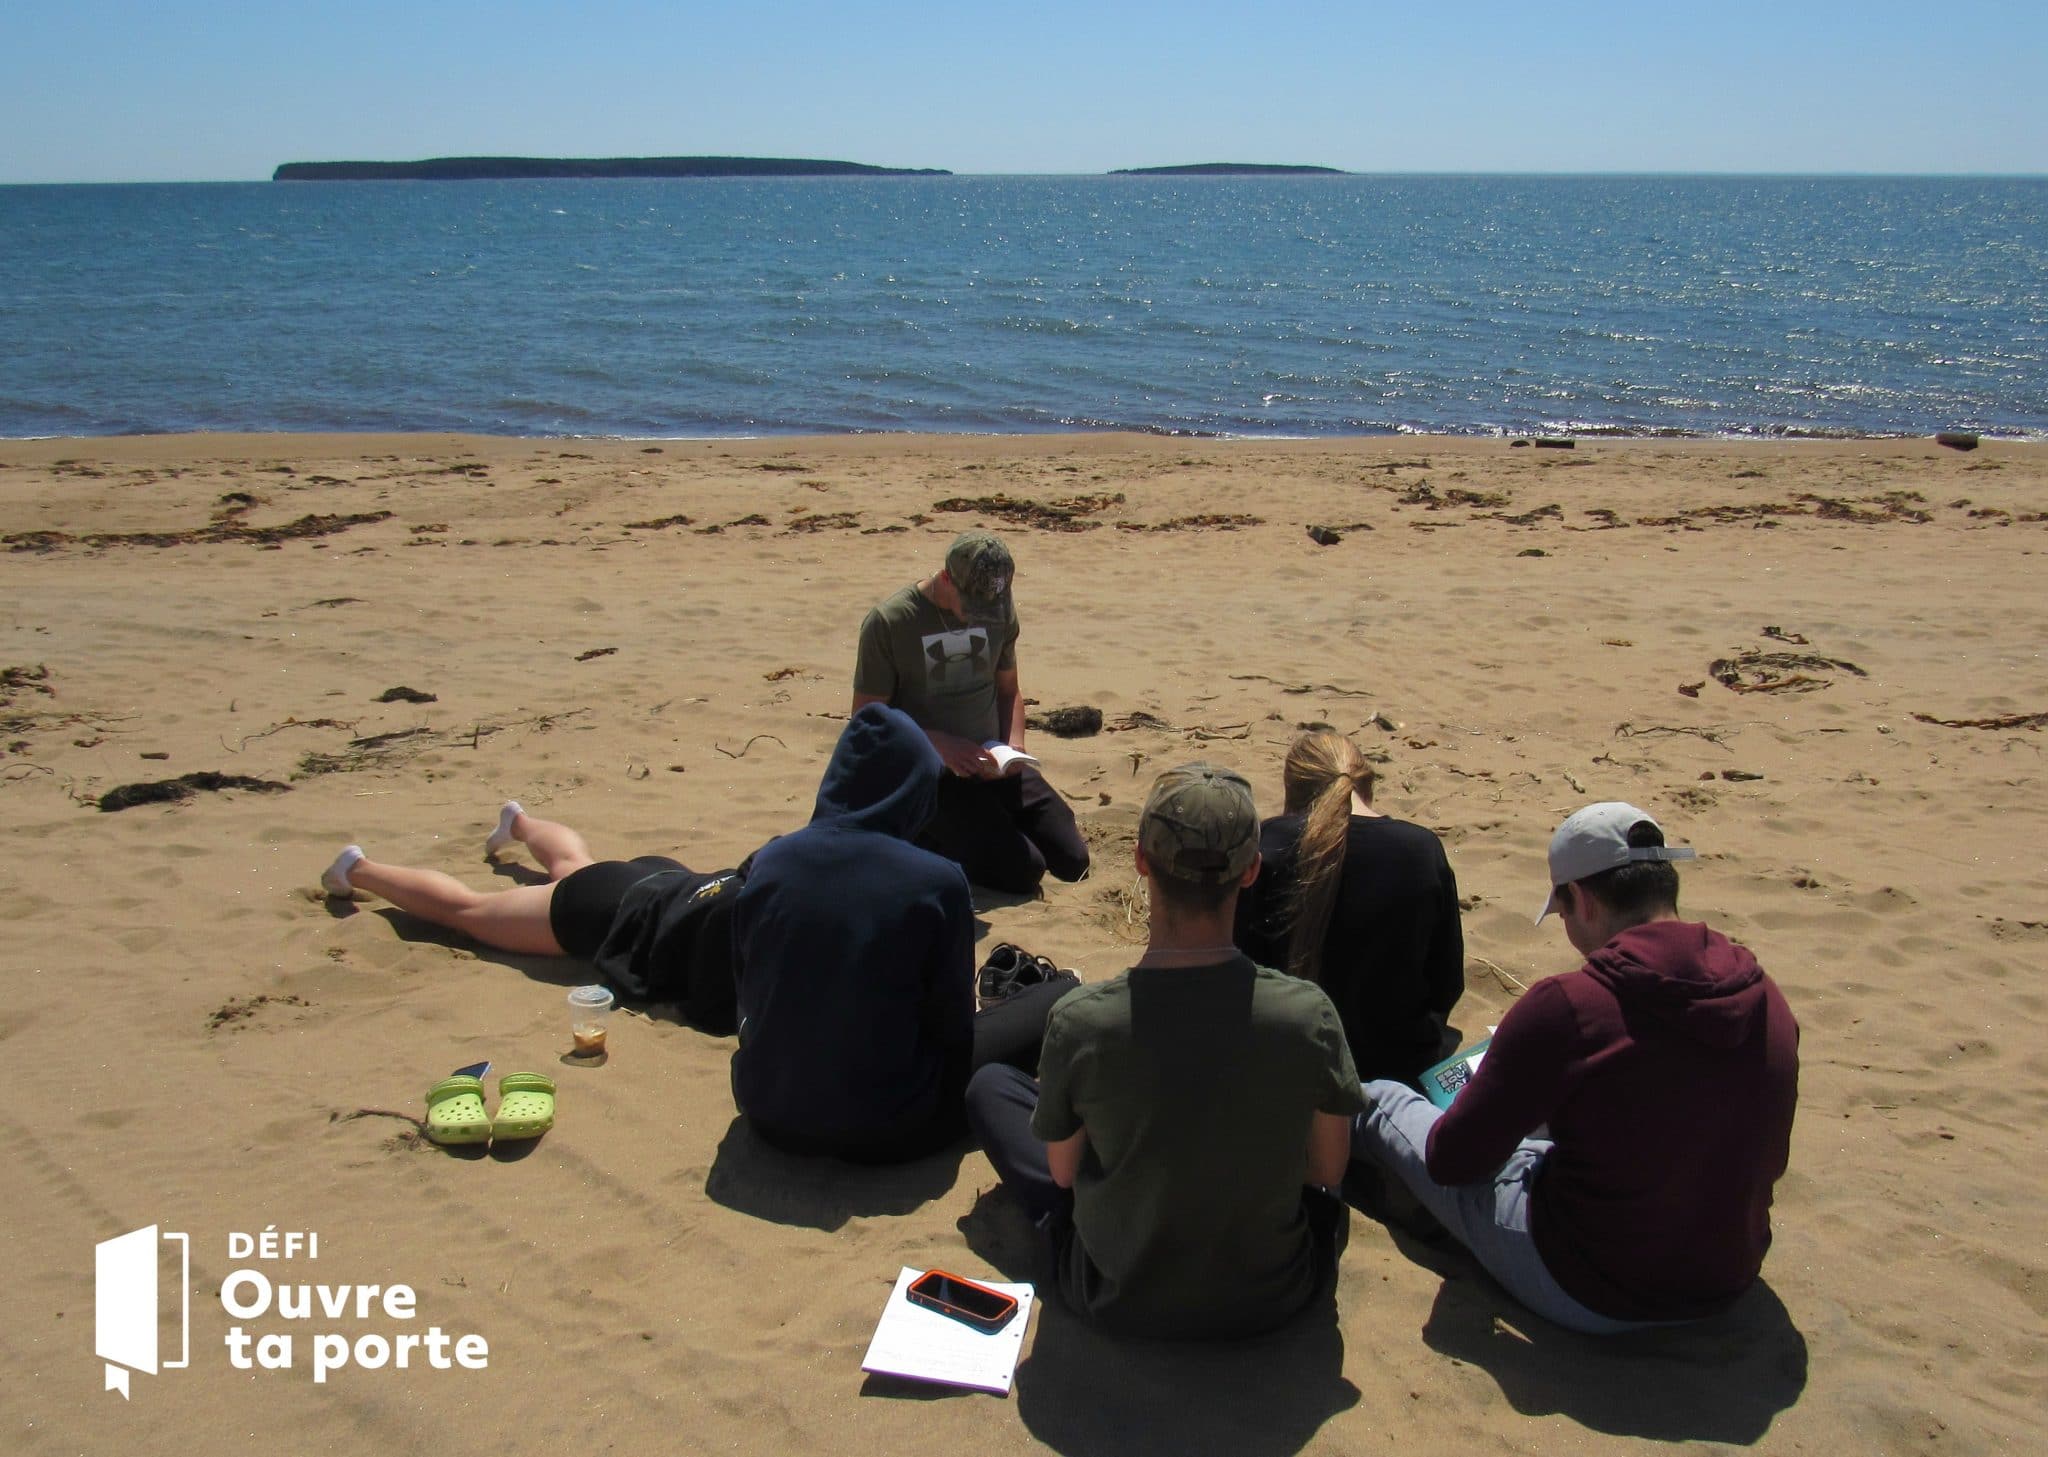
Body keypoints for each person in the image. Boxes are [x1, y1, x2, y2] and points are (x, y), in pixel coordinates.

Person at [1351, 803, 1800, 1334]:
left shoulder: (1572, 1006)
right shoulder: (1765, 995)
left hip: (1597, 1288)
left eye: (1562, 913)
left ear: (1582, 901)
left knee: (1381, 1098)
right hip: (1727, 1274)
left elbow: (1452, 1162)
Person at [965, 763, 1366, 1339]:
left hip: (1113, 1293)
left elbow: (1061, 1171)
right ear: (1251, 870)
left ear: (1140, 861)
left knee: (992, 1090)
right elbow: (1328, 1168)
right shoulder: (1308, 1014)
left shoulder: (1083, 1021)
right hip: (1275, 1295)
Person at [729, 702, 1073, 1163]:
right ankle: (1061, 990)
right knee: (1059, 999)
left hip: (766, 1111)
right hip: (892, 1126)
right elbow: (952, 1030)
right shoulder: (934, 880)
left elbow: (748, 996)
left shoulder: (770, 863)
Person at [320, 802, 744, 1033]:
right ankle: (357, 869)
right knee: (469, 912)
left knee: (575, 865)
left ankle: (519, 822)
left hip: (671, 881)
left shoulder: (785, 883)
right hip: (603, 910)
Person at [850, 529, 1089, 894]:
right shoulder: (890, 623)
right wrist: (937, 743)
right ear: (946, 577)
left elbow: (1008, 690)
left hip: (991, 761)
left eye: (992, 606)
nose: (983, 616)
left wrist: (1014, 748)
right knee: (1023, 871)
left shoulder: (1000, 609)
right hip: (930, 773)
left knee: (1074, 862)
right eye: (974, 606)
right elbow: (867, 722)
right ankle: (917, 834)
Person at [1233, 729, 1464, 1085]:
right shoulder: (1420, 850)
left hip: (1284, 1068)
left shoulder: (1268, 846)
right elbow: (1446, 983)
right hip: (1395, 1072)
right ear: (1367, 786)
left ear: (1291, 792)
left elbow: (1238, 965)